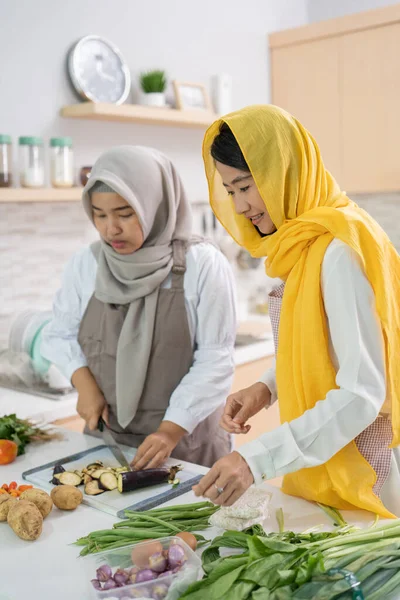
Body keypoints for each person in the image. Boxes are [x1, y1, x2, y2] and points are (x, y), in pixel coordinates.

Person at [193, 105, 400, 517]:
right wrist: (267, 388)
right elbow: (325, 346)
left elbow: (362, 392)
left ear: (283, 171)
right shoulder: (305, 240)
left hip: (360, 476)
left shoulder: (339, 248)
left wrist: (256, 460)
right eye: (230, 191)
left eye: (245, 186)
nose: (239, 206)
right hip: (324, 470)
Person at [41, 145, 236, 469]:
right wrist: (83, 382)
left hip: (187, 448)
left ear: (154, 205)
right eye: (99, 215)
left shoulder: (202, 264)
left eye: (124, 213)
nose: (110, 229)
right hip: (108, 445)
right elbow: (59, 334)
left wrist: (170, 431)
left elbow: (216, 360)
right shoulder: (86, 264)